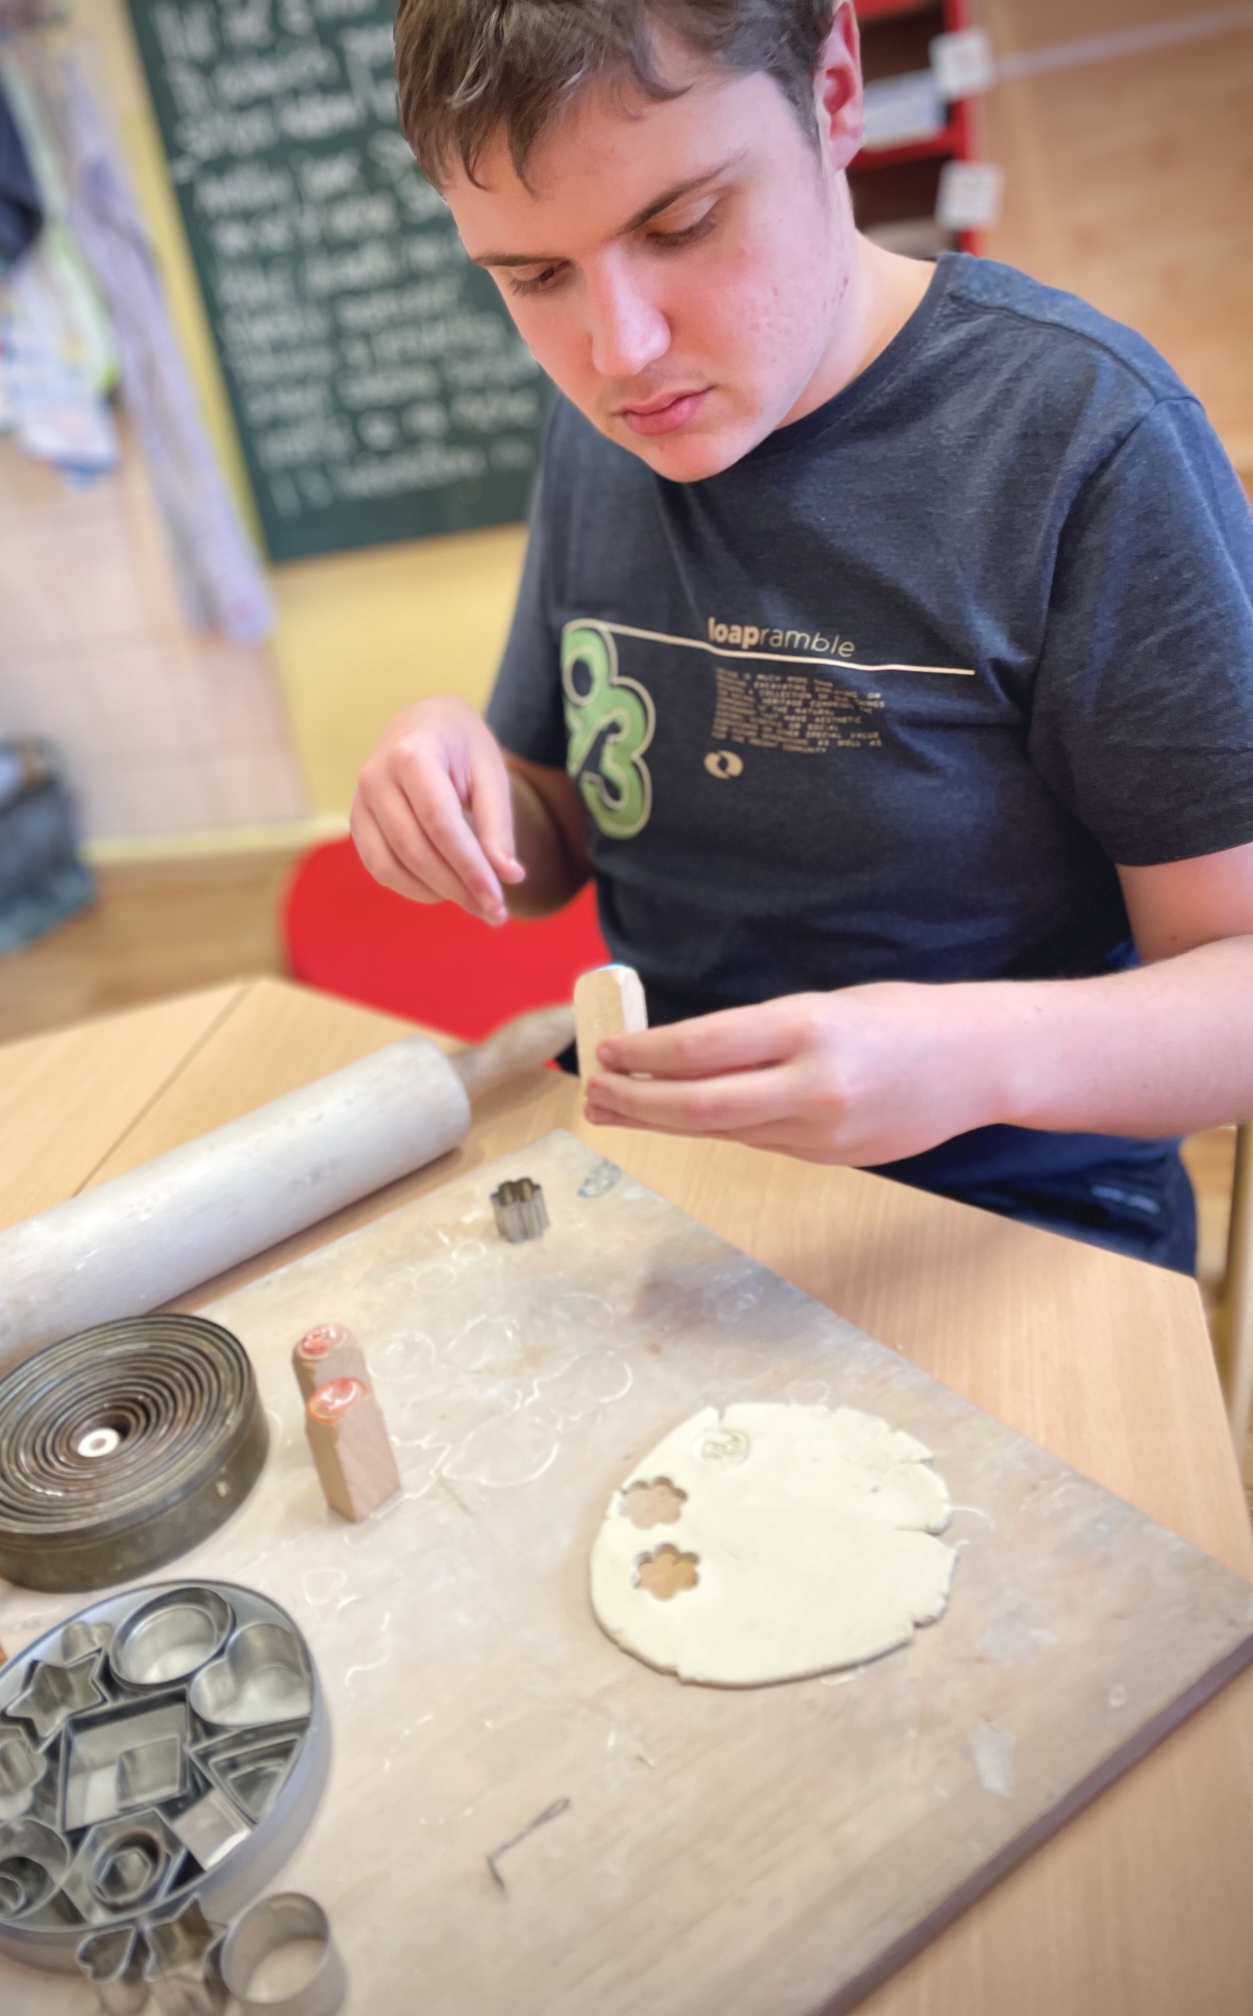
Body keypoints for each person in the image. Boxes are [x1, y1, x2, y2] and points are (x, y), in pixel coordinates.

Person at [350, 0, 1253, 1273]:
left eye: (682, 224)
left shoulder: (1081, 442)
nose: (621, 349)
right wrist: (461, 784)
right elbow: (555, 843)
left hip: (1012, 1224)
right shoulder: (605, 426)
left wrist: (969, 1059)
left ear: (833, 90)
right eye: (534, 278)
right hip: (674, 1194)